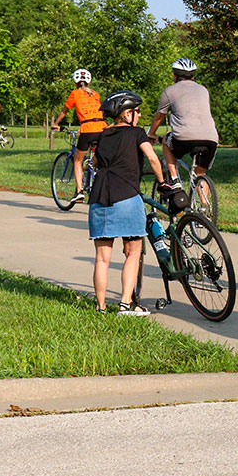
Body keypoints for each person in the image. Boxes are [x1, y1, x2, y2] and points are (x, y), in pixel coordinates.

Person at [87, 90, 170, 314]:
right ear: (126, 114)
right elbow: (152, 158)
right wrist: (162, 182)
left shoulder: (103, 135)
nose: (140, 115)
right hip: (126, 197)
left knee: (102, 258)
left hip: (99, 198)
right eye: (136, 111)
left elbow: (94, 162)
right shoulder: (136, 134)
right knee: (134, 252)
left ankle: (101, 307)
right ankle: (125, 303)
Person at [147, 58, 220, 203]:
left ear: (175, 75)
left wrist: (151, 133)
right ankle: (205, 207)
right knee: (200, 172)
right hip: (211, 138)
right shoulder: (203, 90)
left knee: (167, 142)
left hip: (184, 137)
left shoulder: (170, 91)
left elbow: (159, 116)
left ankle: (174, 179)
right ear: (193, 75)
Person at [52, 68, 105, 203]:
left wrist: (56, 123)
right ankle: (97, 179)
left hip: (87, 129)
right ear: (89, 81)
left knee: (77, 160)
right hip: (102, 128)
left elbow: (65, 110)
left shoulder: (75, 93)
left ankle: (79, 191)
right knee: (99, 157)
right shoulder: (95, 94)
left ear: (75, 81)